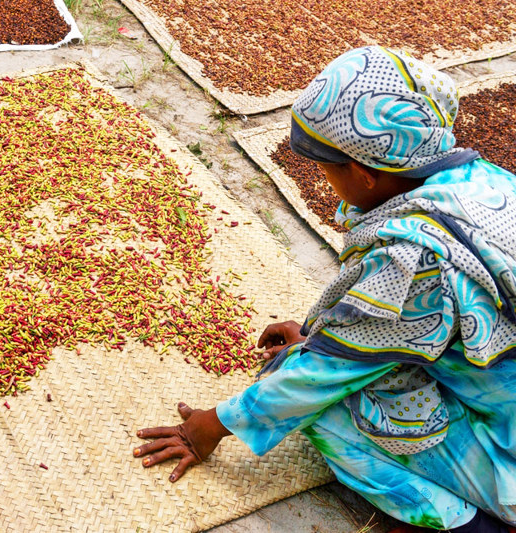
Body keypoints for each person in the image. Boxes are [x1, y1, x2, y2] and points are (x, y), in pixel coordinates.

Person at [132, 46, 516, 533]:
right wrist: (330, 332)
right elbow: (398, 322)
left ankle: (465, 523)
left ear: (364, 172)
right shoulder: (483, 180)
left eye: (326, 167)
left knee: (318, 414)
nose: (326, 180)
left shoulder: (414, 260)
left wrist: (210, 426)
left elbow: (323, 376)